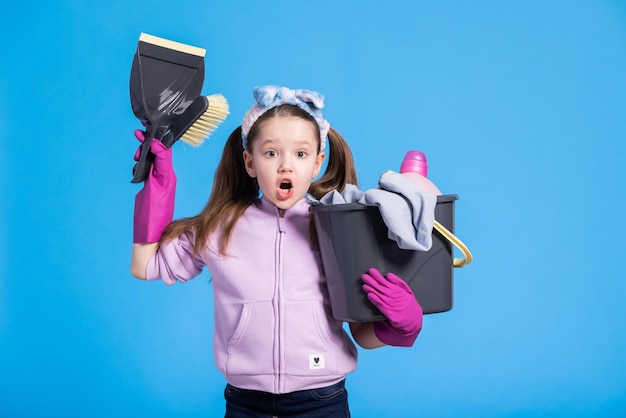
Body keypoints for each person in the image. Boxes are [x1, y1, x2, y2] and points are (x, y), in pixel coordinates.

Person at [130, 85, 423, 417]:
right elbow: (145, 265)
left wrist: (401, 328)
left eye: (300, 154)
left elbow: (362, 335)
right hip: (245, 404)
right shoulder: (219, 227)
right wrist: (157, 187)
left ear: (318, 162)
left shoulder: (340, 228)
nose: (286, 166)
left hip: (322, 402)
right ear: (250, 162)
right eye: (271, 153)